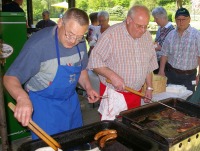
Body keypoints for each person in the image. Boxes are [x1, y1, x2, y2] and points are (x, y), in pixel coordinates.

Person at [3, 8, 99, 140]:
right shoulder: (38, 45)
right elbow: (10, 77)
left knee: (74, 143)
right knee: (48, 146)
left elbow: (81, 70)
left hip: (71, 104)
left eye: (78, 37)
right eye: (70, 34)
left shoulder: (80, 43)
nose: (73, 41)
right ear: (60, 23)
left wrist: (88, 88)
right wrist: (22, 98)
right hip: (44, 106)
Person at [87, 5, 158, 120]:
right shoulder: (111, 35)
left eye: (146, 26)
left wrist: (149, 87)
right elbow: (94, 60)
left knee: (132, 126)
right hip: (114, 94)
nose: (143, 30)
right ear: (129, 20)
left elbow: (149, 64)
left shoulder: (147, 36)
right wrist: (112, 75)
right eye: (139, 26)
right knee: (111, 131)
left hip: (136, 93)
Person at [158, 8, 200, 92]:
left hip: (189, 77)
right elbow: (164, 53)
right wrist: (161, 70)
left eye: (184, 19)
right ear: (175, 20)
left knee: (186, 102)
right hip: (171, 74)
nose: (181, 22)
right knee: (169, 99)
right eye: (178, 19)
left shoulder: (197, 35)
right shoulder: (170, 34)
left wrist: (199, 75)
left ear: (189, 19)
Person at [152, 6, 174, 74]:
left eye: (156, 18)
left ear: (162, 17)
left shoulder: (172, 31)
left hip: (166, 66)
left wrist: (160, 47)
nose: (154, 20)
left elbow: (172, 50)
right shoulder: (160, 28)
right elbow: (156, 42)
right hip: (156, 63)